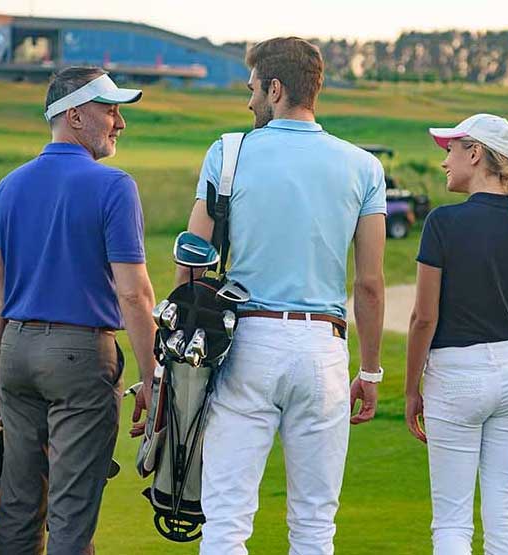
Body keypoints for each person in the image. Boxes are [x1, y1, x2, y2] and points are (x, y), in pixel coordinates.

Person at [175, 37, 387, 554]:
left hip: (247, 343)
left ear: (275, 88)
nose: (249, 103)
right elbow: (370, 283)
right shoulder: (364, 167)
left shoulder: (227, 152)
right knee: (315, 526)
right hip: (324, 351)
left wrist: (175, 357)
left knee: (226, 519)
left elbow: (191, 259)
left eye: (252, 90)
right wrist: (372, 370)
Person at [0, 66, 158, 555]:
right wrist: (153, 378)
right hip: (81, 357)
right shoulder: (113, 186)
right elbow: (134, 295)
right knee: (71, 517)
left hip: (15, 353)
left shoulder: (6, 189)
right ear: (75, 115)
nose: (119, 123)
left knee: (17, 512)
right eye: (110, 110)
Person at [403, 114, 508, 555]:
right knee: (505, 521)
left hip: (456, 377)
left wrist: (411, 390)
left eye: (450, 150)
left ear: (475, 153)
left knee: (451, 524)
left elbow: (423, 320)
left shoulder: (443, 224)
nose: (445, 162)